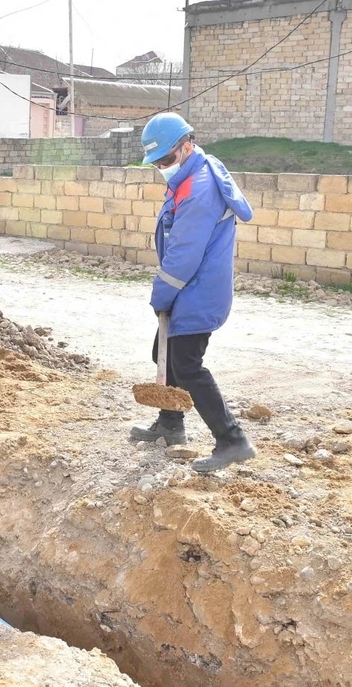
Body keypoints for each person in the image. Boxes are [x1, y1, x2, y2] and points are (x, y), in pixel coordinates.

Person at [130, 112, 257, 472]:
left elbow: (184, 255)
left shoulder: (199, 190)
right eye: (156, 163)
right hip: (193, 285)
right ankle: (171, 424)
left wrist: (161, 295)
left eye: (166, 160)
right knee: (164, 351)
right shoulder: (193, 172)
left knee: (186, 364)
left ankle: (232, 439)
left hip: (197, 288)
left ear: (188, 146)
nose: (162, 167)